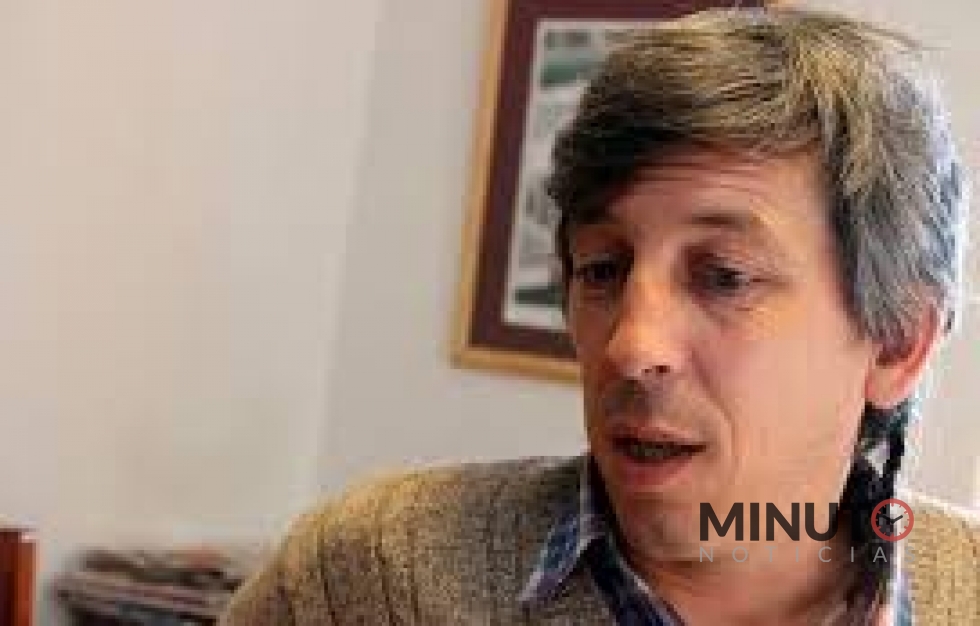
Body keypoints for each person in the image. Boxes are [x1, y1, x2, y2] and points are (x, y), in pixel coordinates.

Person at [220, 7, 979, 625]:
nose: (631, 346)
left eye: (723, 277)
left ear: (896, 342)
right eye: (603, 269)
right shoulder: (367, 577)